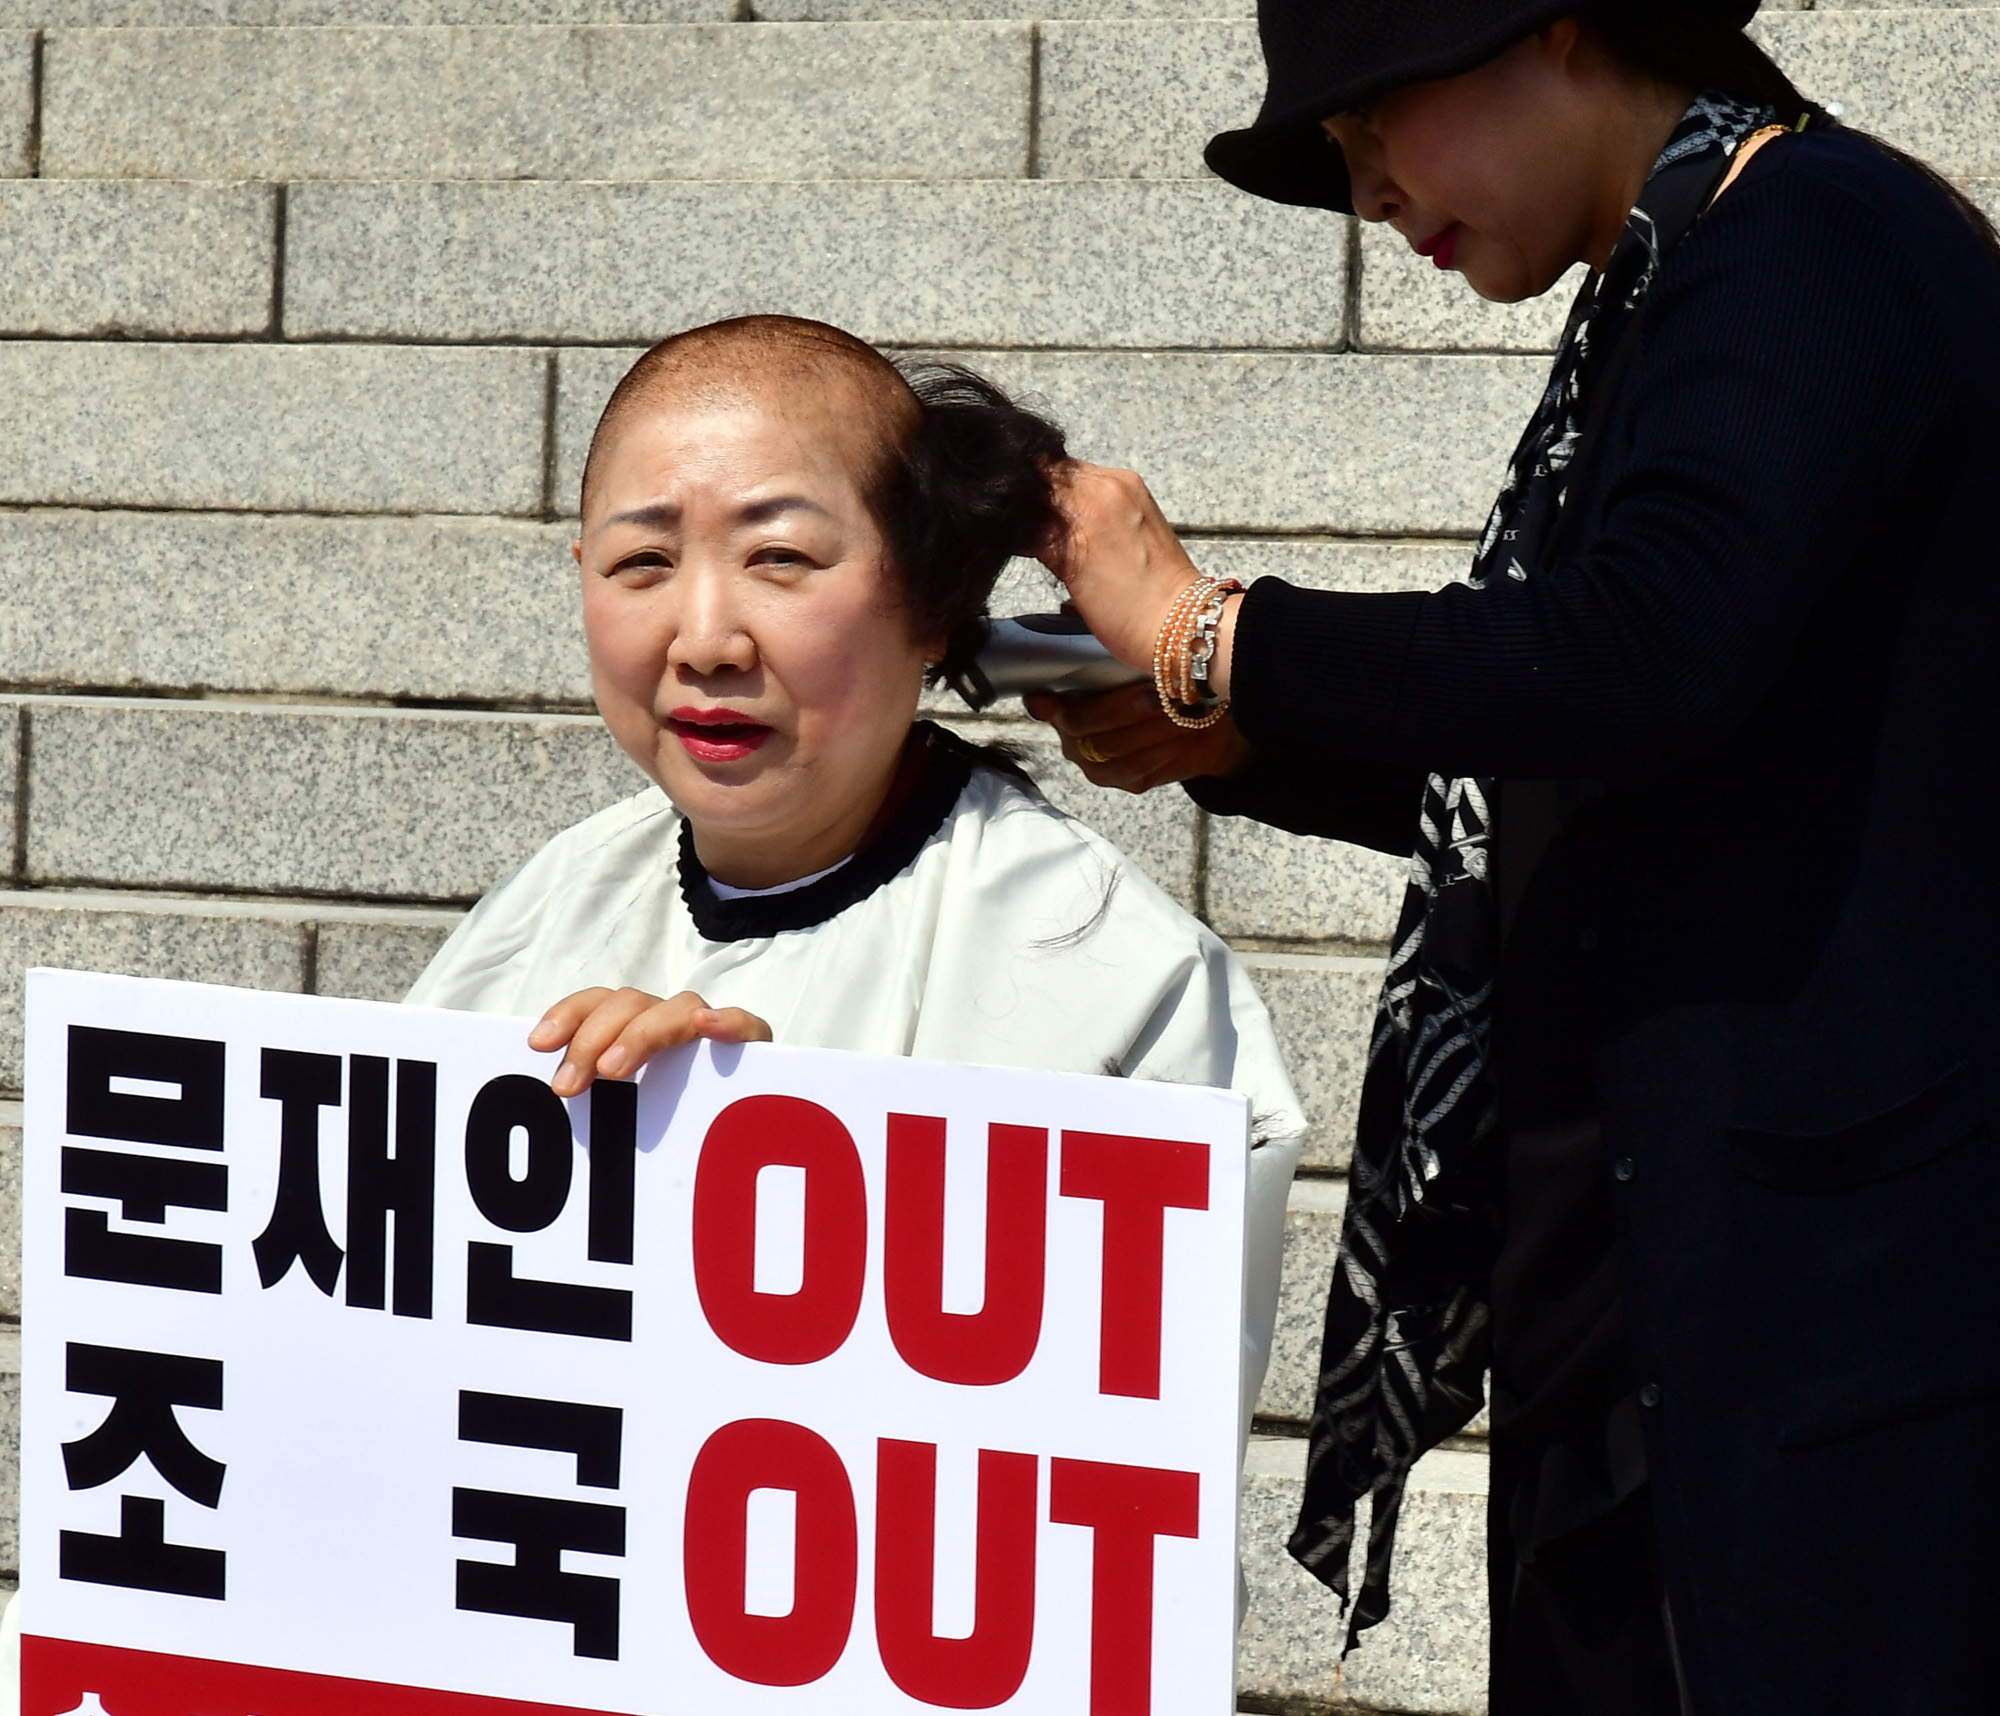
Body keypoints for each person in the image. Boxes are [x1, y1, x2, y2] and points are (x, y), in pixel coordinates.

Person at [1025, 4, 2000, 1712]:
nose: (1374, 192)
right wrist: (1239, 733)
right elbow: (1601, 776)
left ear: (1559, 28)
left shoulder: (1820, 232)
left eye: (1374, 120)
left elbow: (1642, 651)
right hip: (1645, 1318)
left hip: (1832, 1344)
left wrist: (1214, 633)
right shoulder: (1666, 278)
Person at [407, 315, 1307, 1440]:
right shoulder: (542, 910)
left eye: (778, 557)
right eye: (641, 562)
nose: (704, 638)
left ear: (929, 600)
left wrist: (770, 1169)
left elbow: (1105, 1461)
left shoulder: (1116, 976)